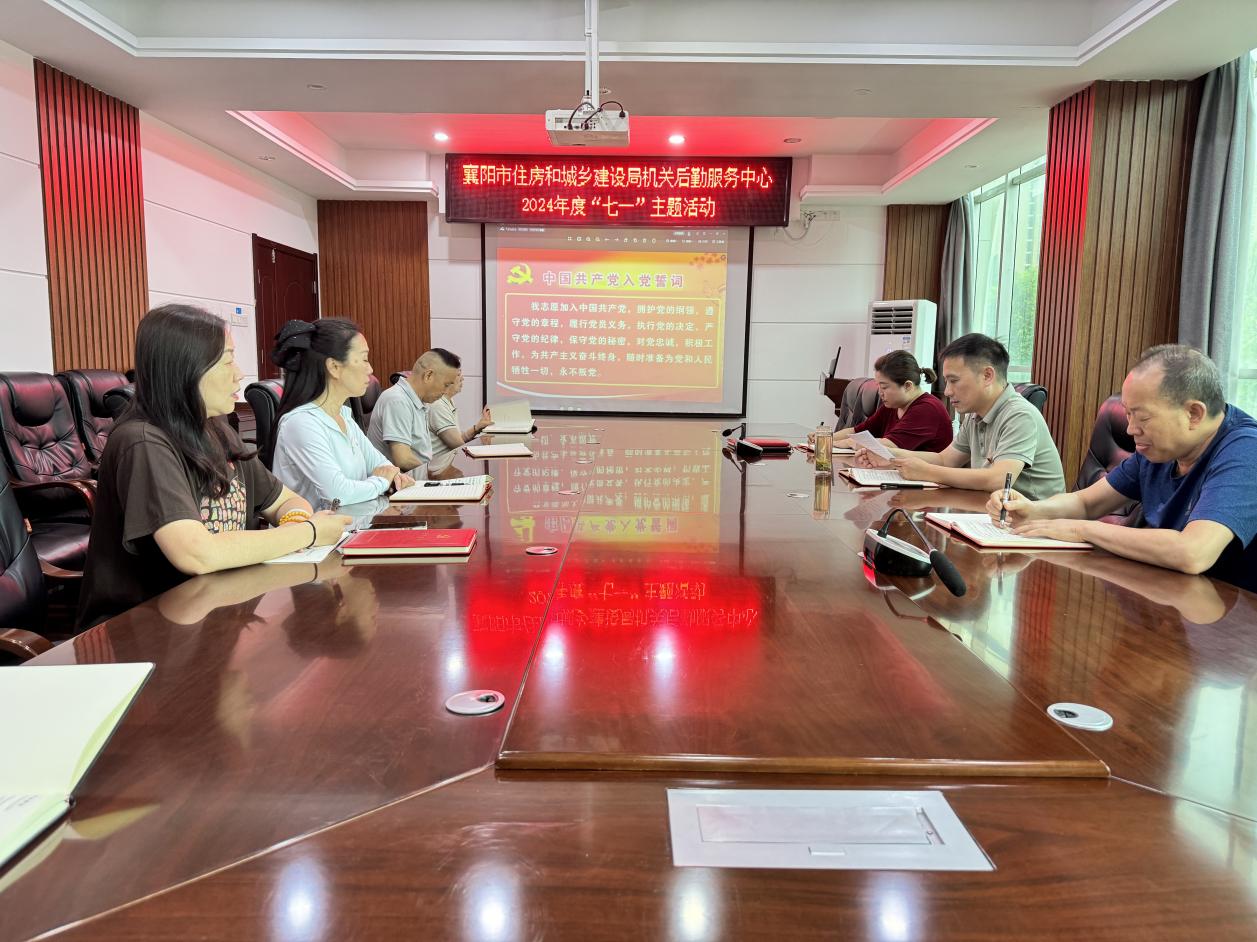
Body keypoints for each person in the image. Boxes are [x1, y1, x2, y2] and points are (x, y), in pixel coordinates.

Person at [77, 304, 352, 630]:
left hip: (213, 614)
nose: (239, 373)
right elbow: (196, 554)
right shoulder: (143, 442)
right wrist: (306, 533)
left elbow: (287, 501)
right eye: (227, 360)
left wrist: (294, 521)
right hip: (142, 632)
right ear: (186, 368)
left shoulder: (216, 430)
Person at [989, 344, 1257, 591]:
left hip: (1230, 610)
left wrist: (1082, 530)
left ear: (1194, 414)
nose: (1130, 429)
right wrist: (1033, 510)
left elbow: (1193, 553)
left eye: (1142, 418)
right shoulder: (1159, 450)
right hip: (1168, 592)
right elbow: (1086, 503)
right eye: (1128, 414)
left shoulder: (1245, 451)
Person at [853, 333, 1065, 500]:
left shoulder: (1019, 414)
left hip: (1035, 524)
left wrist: (926, 472)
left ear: (987, 375)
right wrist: (888, 456)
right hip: (992, 513)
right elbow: (945, 460)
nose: (947, 391)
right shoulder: (975, 415)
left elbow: (999, 479)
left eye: (954, 381)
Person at [270, 318, 416, 506]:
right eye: (364, 359)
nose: (370, 369)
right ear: (334, 367)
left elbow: (383, 465)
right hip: (317, 524)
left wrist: (392, 476)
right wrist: (382, 481)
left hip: (353, 520)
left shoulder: (344, 416)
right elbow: (338, 494)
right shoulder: (301, 423)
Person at [833, 350, 951, 451]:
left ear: (907, 386)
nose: (880, 392)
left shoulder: (927, 409)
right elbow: (857, 431)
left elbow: (890, 446)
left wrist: (849, 442)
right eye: (878, 386)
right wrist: (826, 439)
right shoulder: (893, 406)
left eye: (884, 387)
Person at [366, 350, 459, 473]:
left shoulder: (419, 400)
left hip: (416, 476)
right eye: (446, 385)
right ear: (428, 376)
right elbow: (403, 460)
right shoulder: (398, 401)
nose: (446, 391)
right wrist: (434, 475)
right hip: (397, 482)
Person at [427, 349, 492, 471]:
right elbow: (458, 445)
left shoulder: (448, 401)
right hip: (438, 472)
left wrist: (477, 427)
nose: (462, 378)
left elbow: (457, 439)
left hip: (449, 466)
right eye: (458, 374)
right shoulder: (437, 404)